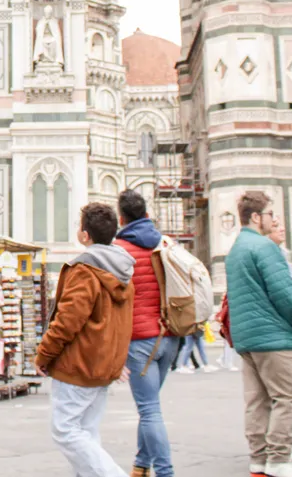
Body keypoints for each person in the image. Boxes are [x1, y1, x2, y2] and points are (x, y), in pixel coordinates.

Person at [36, 202, 135, 477]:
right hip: (103, 365)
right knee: (87, 433)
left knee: (65, 431)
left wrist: (44, 355)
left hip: (79, 365)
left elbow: (67, 322)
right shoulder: (123, 270)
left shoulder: (85, 271)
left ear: (84, 234)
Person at [225, 192, 292, 477]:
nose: (273, 219)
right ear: (255, 217)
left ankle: (259, 457)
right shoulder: (264, 247)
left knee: (257, 400)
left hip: (247, 336)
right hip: (273, 335)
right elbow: (283, 293)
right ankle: (279, 457)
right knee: (288, 396)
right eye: (270, 214)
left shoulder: (237, 248)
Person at [113, 189, 178, 477]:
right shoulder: (165, 243)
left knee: (150, 410)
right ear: (147, 215)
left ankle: (165, 472)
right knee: (150, 407)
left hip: (140, 342)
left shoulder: (118, 250)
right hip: (170, 336)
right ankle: (142, 465)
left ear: (121, 218)